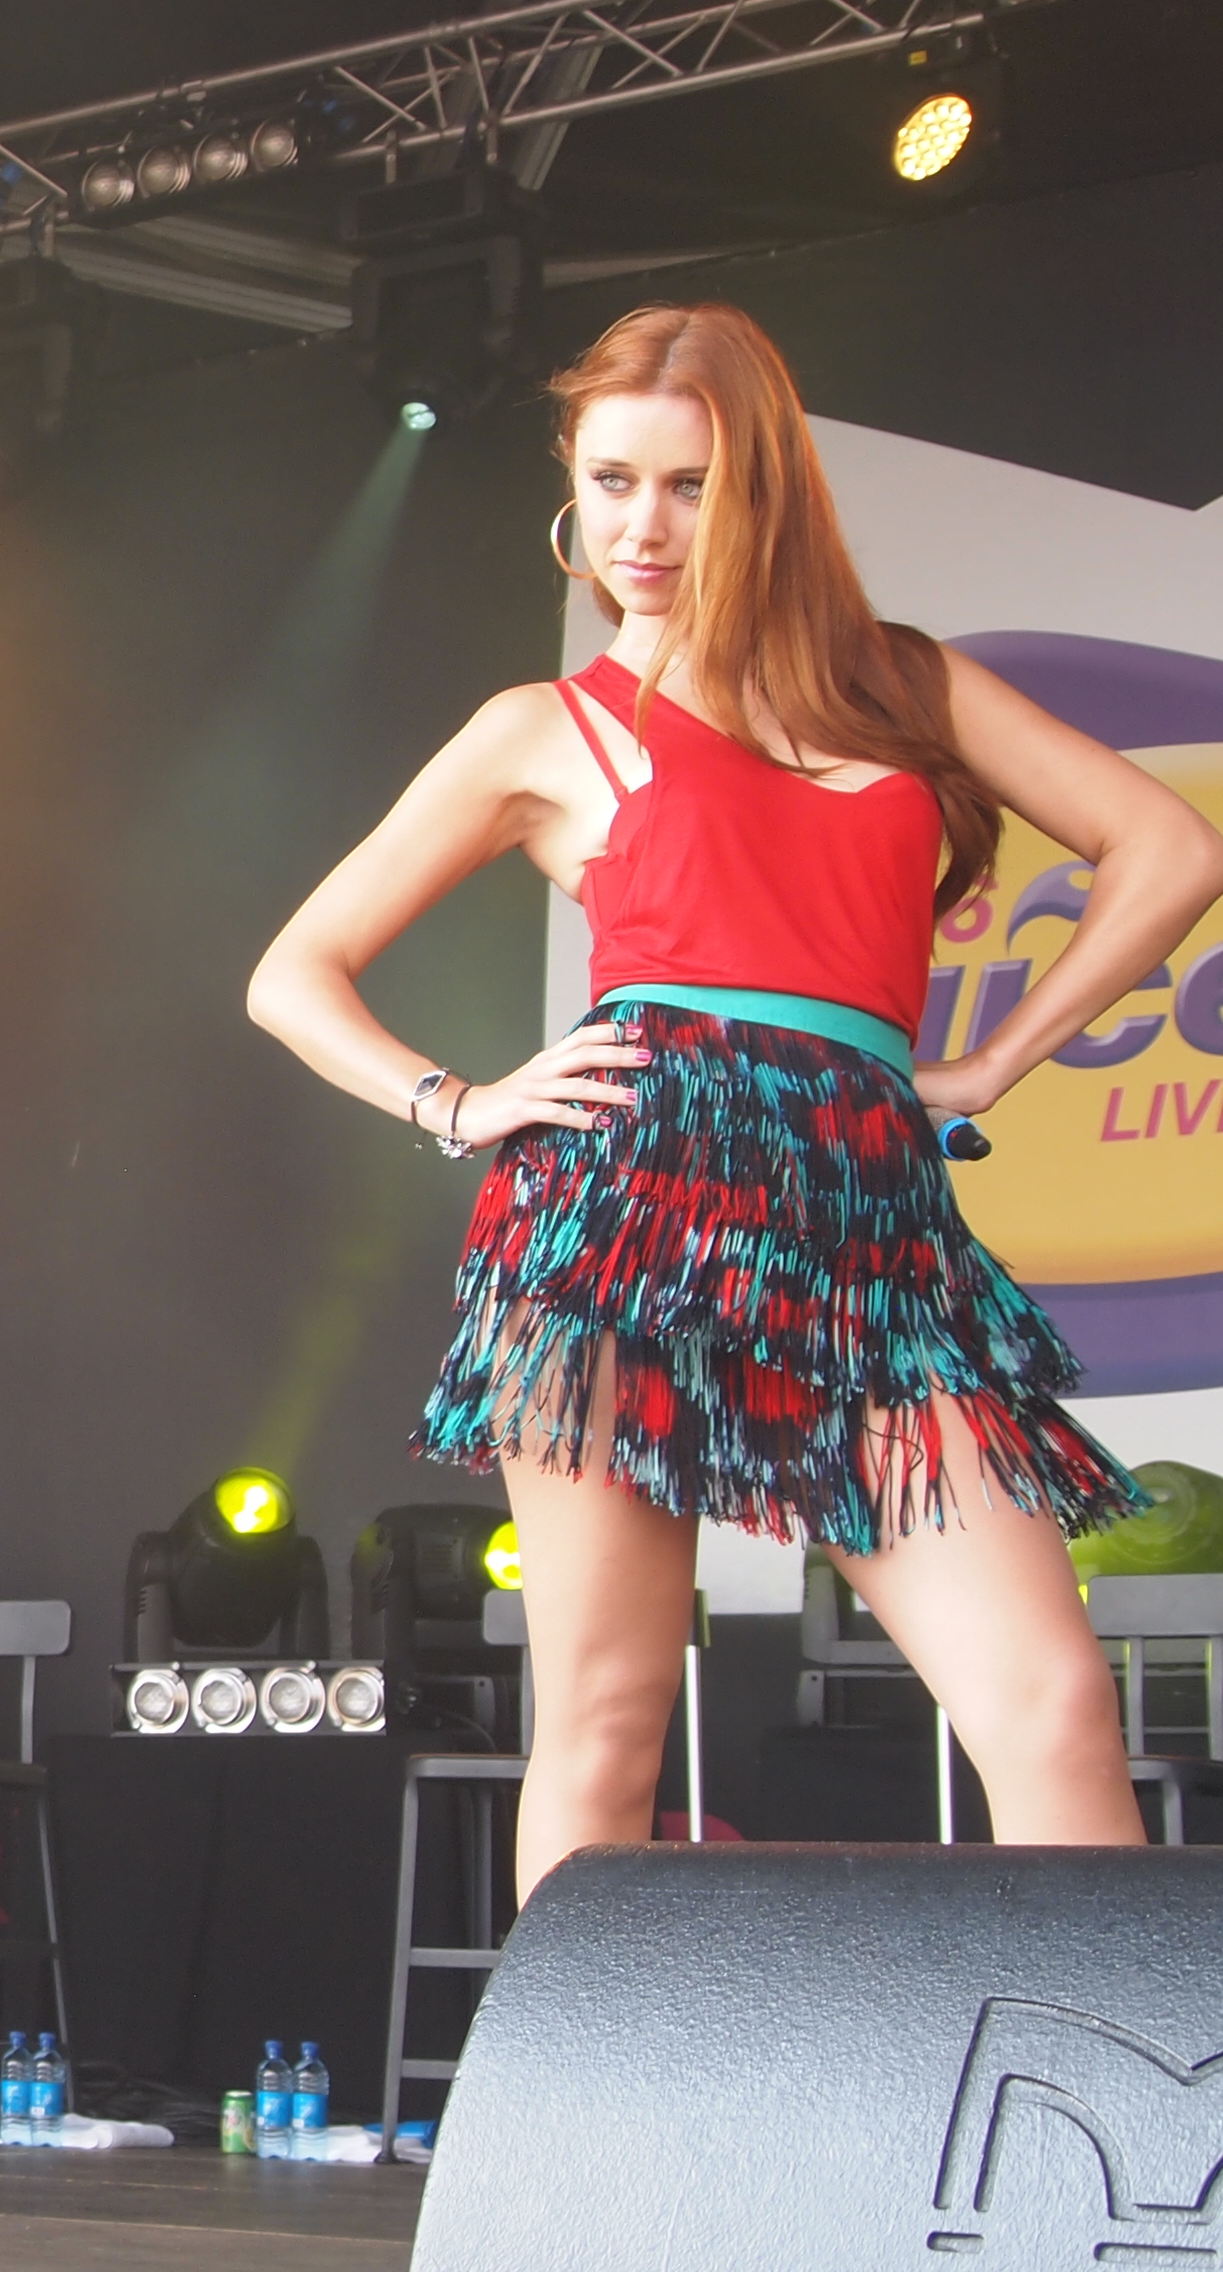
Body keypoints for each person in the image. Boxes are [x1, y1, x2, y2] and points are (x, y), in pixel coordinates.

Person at [250, 303, 1223, 1900]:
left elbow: (1172, 848)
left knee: (1051, 1705)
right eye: (611, 481)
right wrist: (459, 1103)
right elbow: (293, 972)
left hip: (874, 1244)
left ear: (764, 491)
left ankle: (1103, 2065)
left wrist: (995, 1059)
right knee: (606, 1726)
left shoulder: (903, 682)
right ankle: (571, 2073)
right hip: (624, 1229)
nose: (642, 527)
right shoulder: (542, 729)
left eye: (690, 485)